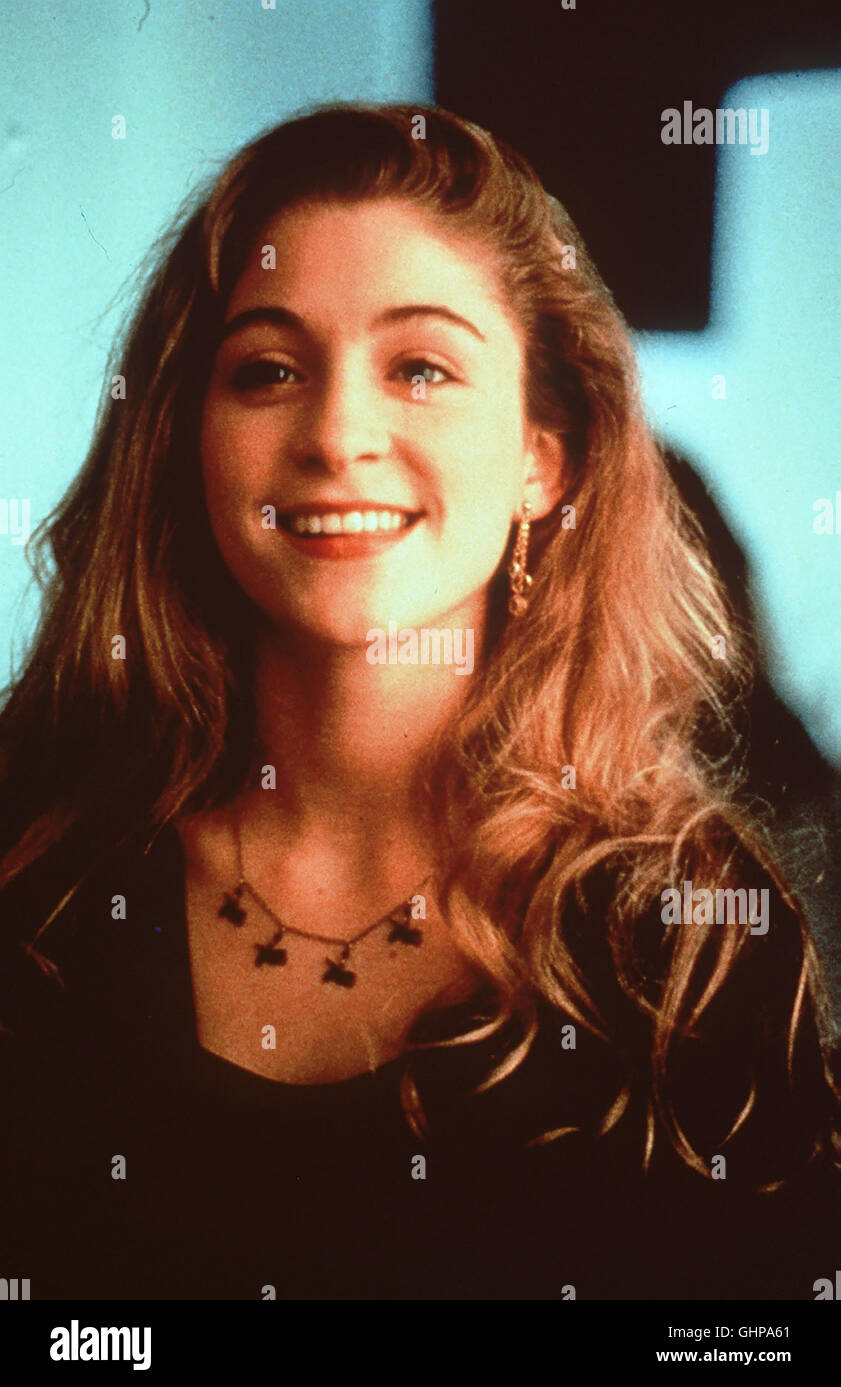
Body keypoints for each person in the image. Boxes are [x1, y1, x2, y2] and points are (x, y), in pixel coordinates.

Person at [1, 102, 839, 1301]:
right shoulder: (37, 860)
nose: (338, 433)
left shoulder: (684, 937)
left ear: (544, 455)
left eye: (421, 368)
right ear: (189, 438)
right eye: (269, 370)